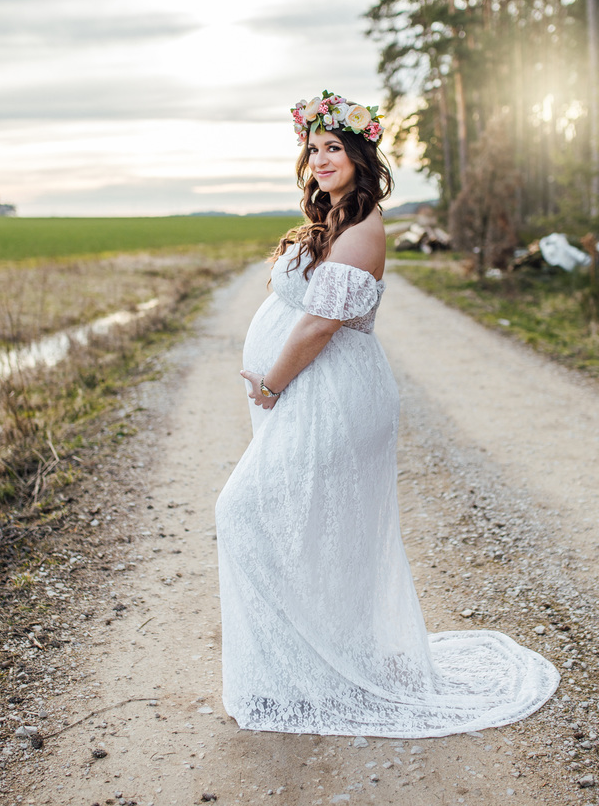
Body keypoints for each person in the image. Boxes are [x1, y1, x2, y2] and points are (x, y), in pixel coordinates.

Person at [215, 90, 559, 737]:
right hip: (316, 393)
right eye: (313, 149)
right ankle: (308, 667)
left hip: (333, 396)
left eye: (333, 148)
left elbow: (319, 324)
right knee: (311, 527)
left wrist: (269, 381)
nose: (319, 159)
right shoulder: (334, 216)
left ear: (359, 155)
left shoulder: (364, 225)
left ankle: (307, 671)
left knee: (241, 512)